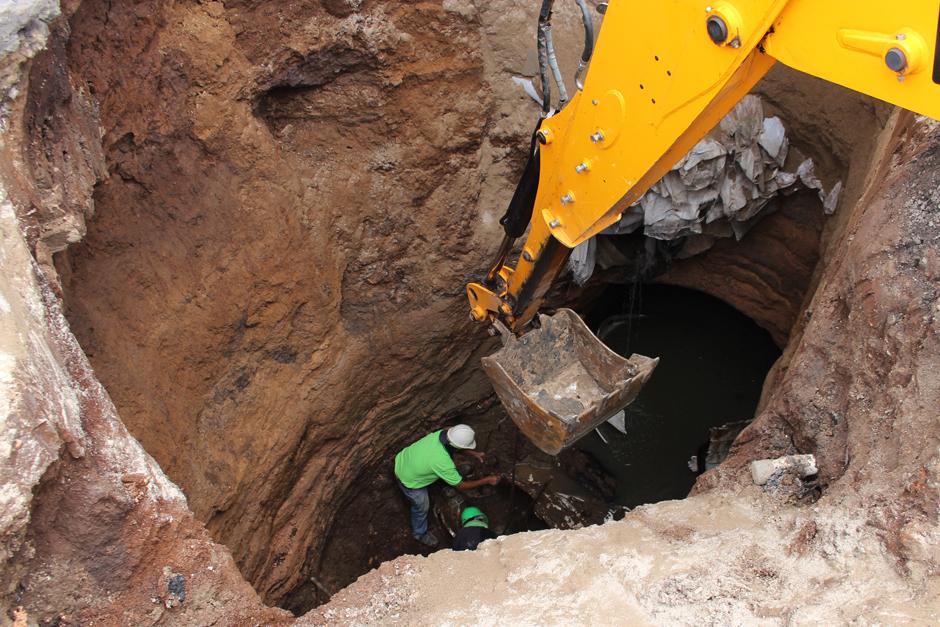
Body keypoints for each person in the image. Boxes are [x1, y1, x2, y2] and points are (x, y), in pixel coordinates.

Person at [394, 424, 499, 547]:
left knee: (447, 470)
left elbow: (454, 447)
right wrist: (487, 480)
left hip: (405, 459)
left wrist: (473, 454)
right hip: (409, 480)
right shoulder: (442, 462)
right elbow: (461, 486)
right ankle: (420, 534)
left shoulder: (442, 434)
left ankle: (447, 481)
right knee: (422, 507)